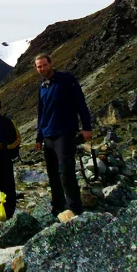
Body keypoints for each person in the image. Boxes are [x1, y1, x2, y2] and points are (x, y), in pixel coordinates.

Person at [34, 53, 92, 218]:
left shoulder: (66, 80)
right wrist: (39, 136)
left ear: (51, 64)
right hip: (48, 136)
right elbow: (41, 113)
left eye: (44, 65)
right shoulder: (42, 86)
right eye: (39, 66)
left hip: (65, 133)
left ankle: (75, 208)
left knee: (66, 172)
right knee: (53, 174)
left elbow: (80, 102)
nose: (42, 68)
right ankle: (58, 207)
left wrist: (87, 127)